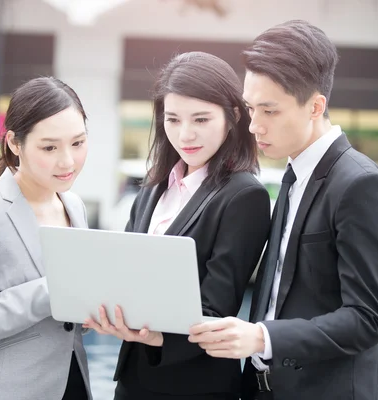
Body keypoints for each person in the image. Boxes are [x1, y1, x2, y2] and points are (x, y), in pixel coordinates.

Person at [188, 20, 378, 400]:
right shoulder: (292, 176)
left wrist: (261, 336)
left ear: (315, 106)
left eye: (269, 111)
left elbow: (367, 319)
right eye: (251, 108)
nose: (254, 125)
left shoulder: (361, 185)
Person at [84, 51, 271, 400]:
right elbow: (124, 268)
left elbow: (217, 308)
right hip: (134, 377)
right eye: (172, 119)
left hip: (195, 385)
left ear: (233, 116)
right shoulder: (154, 187)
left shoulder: (245, 195)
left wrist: (155, 336)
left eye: (200, 119)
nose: (185, 135)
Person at [0, 77, 93, 400]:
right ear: (14, 143)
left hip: (74, 383)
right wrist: (52, 291)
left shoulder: (74, 205)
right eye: (50, 147)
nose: (67, 161)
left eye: (78, 143)